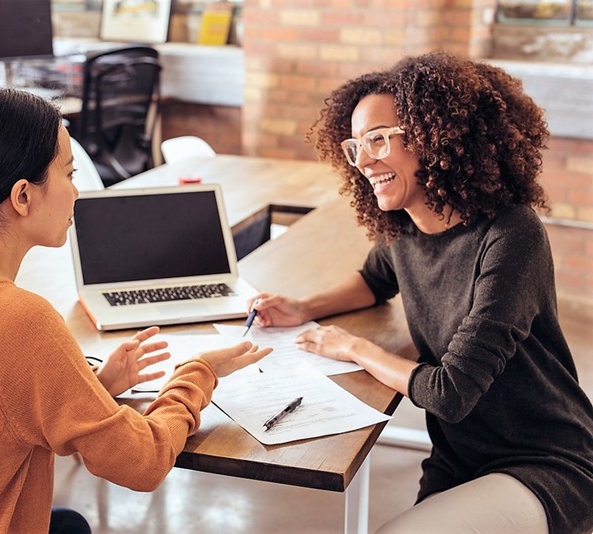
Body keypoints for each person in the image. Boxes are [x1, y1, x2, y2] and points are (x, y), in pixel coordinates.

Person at [0, 87, 271, 533]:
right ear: (23, 196)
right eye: (69, 173)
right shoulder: (17, 319)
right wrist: (197, 373)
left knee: (67, 525)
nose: (76, 192)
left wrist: (94, 386)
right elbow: (142, 463)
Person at [249, 52, 593, 534]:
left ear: (435, 138)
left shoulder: (512, 235)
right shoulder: (406, 228)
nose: (365, 160)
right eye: (355, 145)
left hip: (543, 462)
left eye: (378, 139)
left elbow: (449, 393)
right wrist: (302, 308)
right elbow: (373, 280)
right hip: (459, 457)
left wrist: (351, 347)